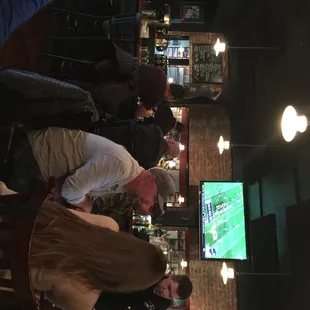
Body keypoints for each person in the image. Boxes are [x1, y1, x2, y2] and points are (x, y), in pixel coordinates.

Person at [0, 197, 167, 310]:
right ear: (129, 283)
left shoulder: (108, 225)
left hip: (9, 216)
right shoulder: (85, 299)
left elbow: (64, 213)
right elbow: (49, 298)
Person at [7, 127, 175, 215]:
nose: (149, 204)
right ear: (150, 179)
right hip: (35, 154)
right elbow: (70, 189)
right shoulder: (121, 166)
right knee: (25, 215)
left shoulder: (123, 183)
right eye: (153, 198)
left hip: (44, 169)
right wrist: (86, 204)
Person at [93, 122, 180, 169]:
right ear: (167, 155)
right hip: (112, 154)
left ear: (171, 142)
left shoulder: (156, 130)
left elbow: (137, 122)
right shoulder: (153, 162)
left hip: (116, 132)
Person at [94, 275, 193, 310]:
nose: (165, 293)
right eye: (168, 287)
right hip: (101, 288)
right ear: (172, 276)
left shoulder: (162, 305)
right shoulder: (152, 273)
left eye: (170, 295)